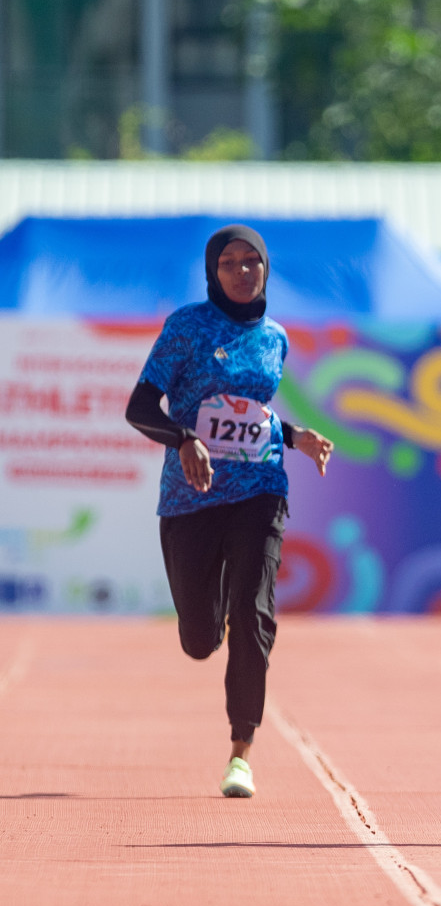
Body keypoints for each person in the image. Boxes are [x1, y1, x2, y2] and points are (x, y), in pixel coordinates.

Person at [126, 225, 333, 797]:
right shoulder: (187, 326)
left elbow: (251, 414)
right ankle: (206, 619)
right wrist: (183, 439)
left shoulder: (276, 338)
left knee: (252, 611)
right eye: (229, 263)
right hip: (190, 495)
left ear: (267, 270)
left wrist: (294, 437)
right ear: (212, 272)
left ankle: (241, 751)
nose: (242, 272)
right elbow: (140, 406)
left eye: (252, 263)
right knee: (199, 638)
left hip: (260, 489)